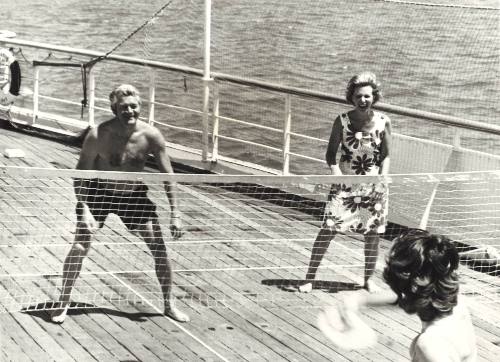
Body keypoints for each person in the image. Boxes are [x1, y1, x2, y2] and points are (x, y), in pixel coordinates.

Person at [50, 84, 189, 323]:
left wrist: (175, 213)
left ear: (140, 107)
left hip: (133, 196)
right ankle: (63, 300)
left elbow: (169, 176)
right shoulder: (97, 135)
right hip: (98, 193)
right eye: (124, 107)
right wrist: (83, 209)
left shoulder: (151, 136)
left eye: (134, 106)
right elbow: (81, 174)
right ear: (114, 109)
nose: (130, 112)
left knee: (159, 248)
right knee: (80, 247)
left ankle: (169, 304)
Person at [300, 72, 391, 293]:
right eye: (359, 96)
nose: (363, 100)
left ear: (374, 97)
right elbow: (331, 154)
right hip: (344, 184)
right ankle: (309, 277)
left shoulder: (383, 122)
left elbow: (386, 155)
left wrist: (383, 178)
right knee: (328, 228)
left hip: (373, 186)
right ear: (352, 97)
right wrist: (336, 173)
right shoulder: (342, 121)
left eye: (367, 96)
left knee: (372, 234)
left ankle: (368, 279)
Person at [326, 229, 477, 361]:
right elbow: (404, 297)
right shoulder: (455, 303)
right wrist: (363, 299)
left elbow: (406, 296)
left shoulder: (429, 344)